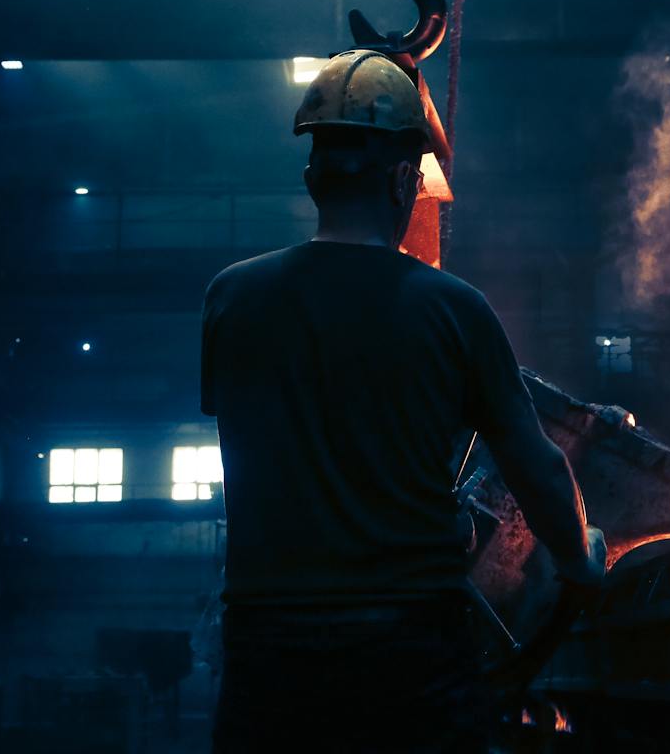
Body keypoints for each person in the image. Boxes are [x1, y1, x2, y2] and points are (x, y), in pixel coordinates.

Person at [200, 50, 601, 753]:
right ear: (404, 182)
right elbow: (534, 464)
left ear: (311, 178)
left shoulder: (230, 299)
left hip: (267, 652)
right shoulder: (453, 310)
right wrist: (578, 557)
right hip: (406, 653)